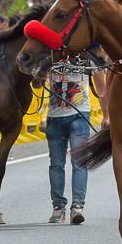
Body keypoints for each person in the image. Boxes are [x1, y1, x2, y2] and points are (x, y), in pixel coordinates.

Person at [46, 72, 91, 225]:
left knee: (69, 164)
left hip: (75, 116)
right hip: (59, 117)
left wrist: (106, 114)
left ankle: (69, 208)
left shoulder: (85, 55)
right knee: (63, 164)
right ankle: (66, 207)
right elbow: (35, 80)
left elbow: (100, 82)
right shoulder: (50, 57)